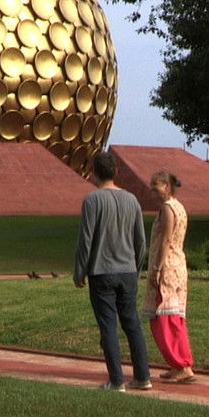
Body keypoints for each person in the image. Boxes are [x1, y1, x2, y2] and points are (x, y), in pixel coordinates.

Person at [74, 152, 152, 391]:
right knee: (132, 324)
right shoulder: (132, 200)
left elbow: (86, 240)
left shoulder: (92, 200)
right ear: (116, 171)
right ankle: (143, 377)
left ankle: (116, 380)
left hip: (102, 271)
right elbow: (141, 241)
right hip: (128, 271)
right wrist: (136, 269)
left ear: (94, 173)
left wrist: (80, 272)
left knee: (108, 326)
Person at [144, 170, 197, 383]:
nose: (152, 189)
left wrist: (156, 268)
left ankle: (182, 364)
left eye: (155, 185)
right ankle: (178, 364)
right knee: (173, 319)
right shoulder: (179, 207)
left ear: (166, 186)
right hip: (178, 266)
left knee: (166, 320)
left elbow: (165, 241)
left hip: (167, 269)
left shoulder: (168, 208)